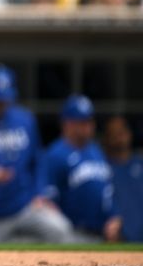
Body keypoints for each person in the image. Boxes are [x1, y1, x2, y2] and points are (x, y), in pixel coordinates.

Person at [0, 65, 72, 244]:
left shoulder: (24, 119)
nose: (1, 104)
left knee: (60, 229)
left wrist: (40, 193)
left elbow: (38, 160)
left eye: (5, 100)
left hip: (25, 206)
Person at [46, 95, 123, 243]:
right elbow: (48, 200)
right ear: (67, 123)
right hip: (72, 234)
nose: (87, 126)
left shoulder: (96, 151)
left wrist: (114, 217)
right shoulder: (55, 154)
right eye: (81, 122)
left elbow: (108, 190)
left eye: (89, 121)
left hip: (102, 233)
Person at [103, 115, 143, 242]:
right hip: (115, 236)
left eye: (121, 132)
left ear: (129, 134)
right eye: (113, 133)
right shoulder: (100, 167)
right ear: (106, 138)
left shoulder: (140, 164)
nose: (118, 137)